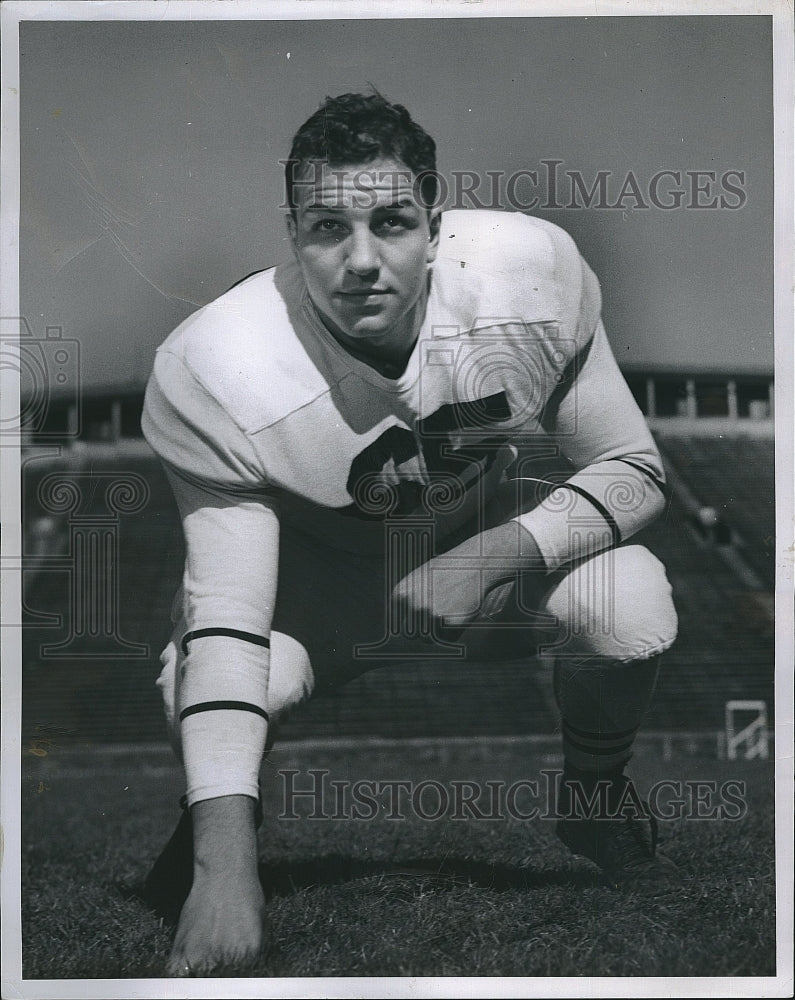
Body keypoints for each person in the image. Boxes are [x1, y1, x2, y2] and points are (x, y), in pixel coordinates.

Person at [141, 92, 679, 976]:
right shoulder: (217, 364)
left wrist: (491, 554)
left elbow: (631, 467)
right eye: (325, 229)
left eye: (390, 223)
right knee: (189, 681)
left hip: (488, 563)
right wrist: (224, 873)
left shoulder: (527, 277)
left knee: (630, 606)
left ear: (435, 222)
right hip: (325, 597)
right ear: (290, 234)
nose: (360, 261)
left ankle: (591, 790)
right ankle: (231, 826)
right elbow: (229, 619)